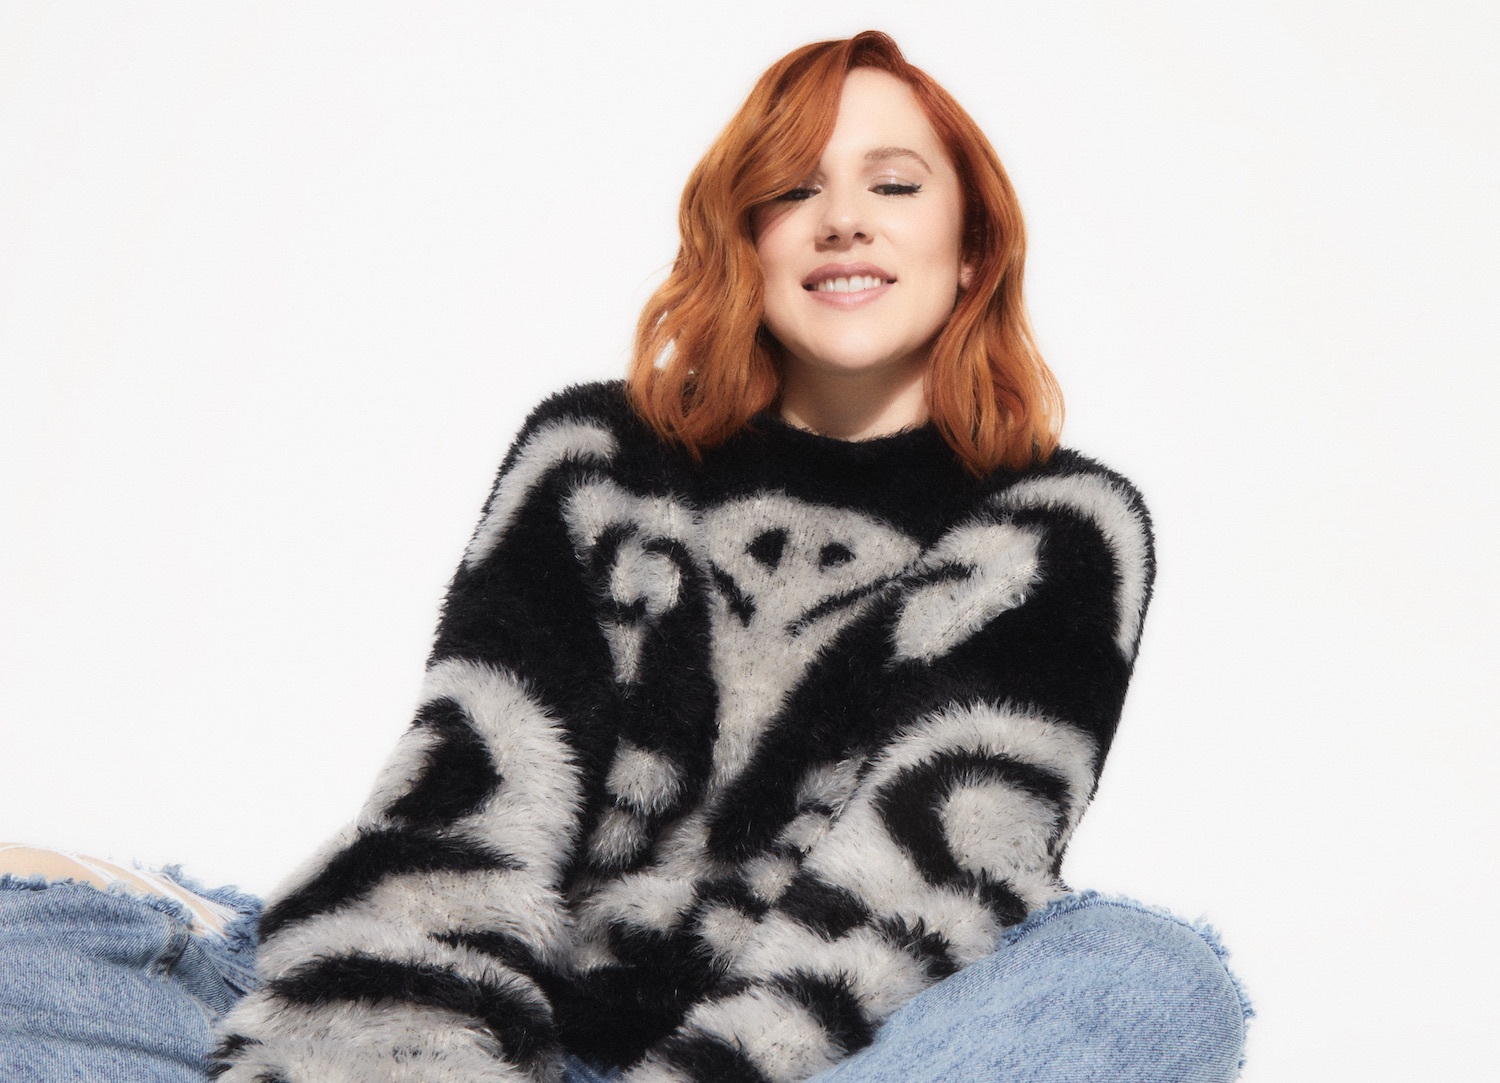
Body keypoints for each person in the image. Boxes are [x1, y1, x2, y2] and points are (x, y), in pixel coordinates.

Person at [0, 30, 1250, 1083]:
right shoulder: (597, 454)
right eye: (792, 191)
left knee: (1152, 976)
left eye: (894, 185)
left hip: (812, 1059)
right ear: (745, 240)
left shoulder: (1064, 530)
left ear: (972, 245)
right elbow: (471, 800)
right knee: (29, 927)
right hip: (498, 1027)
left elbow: (923, 900)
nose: (842, 221)